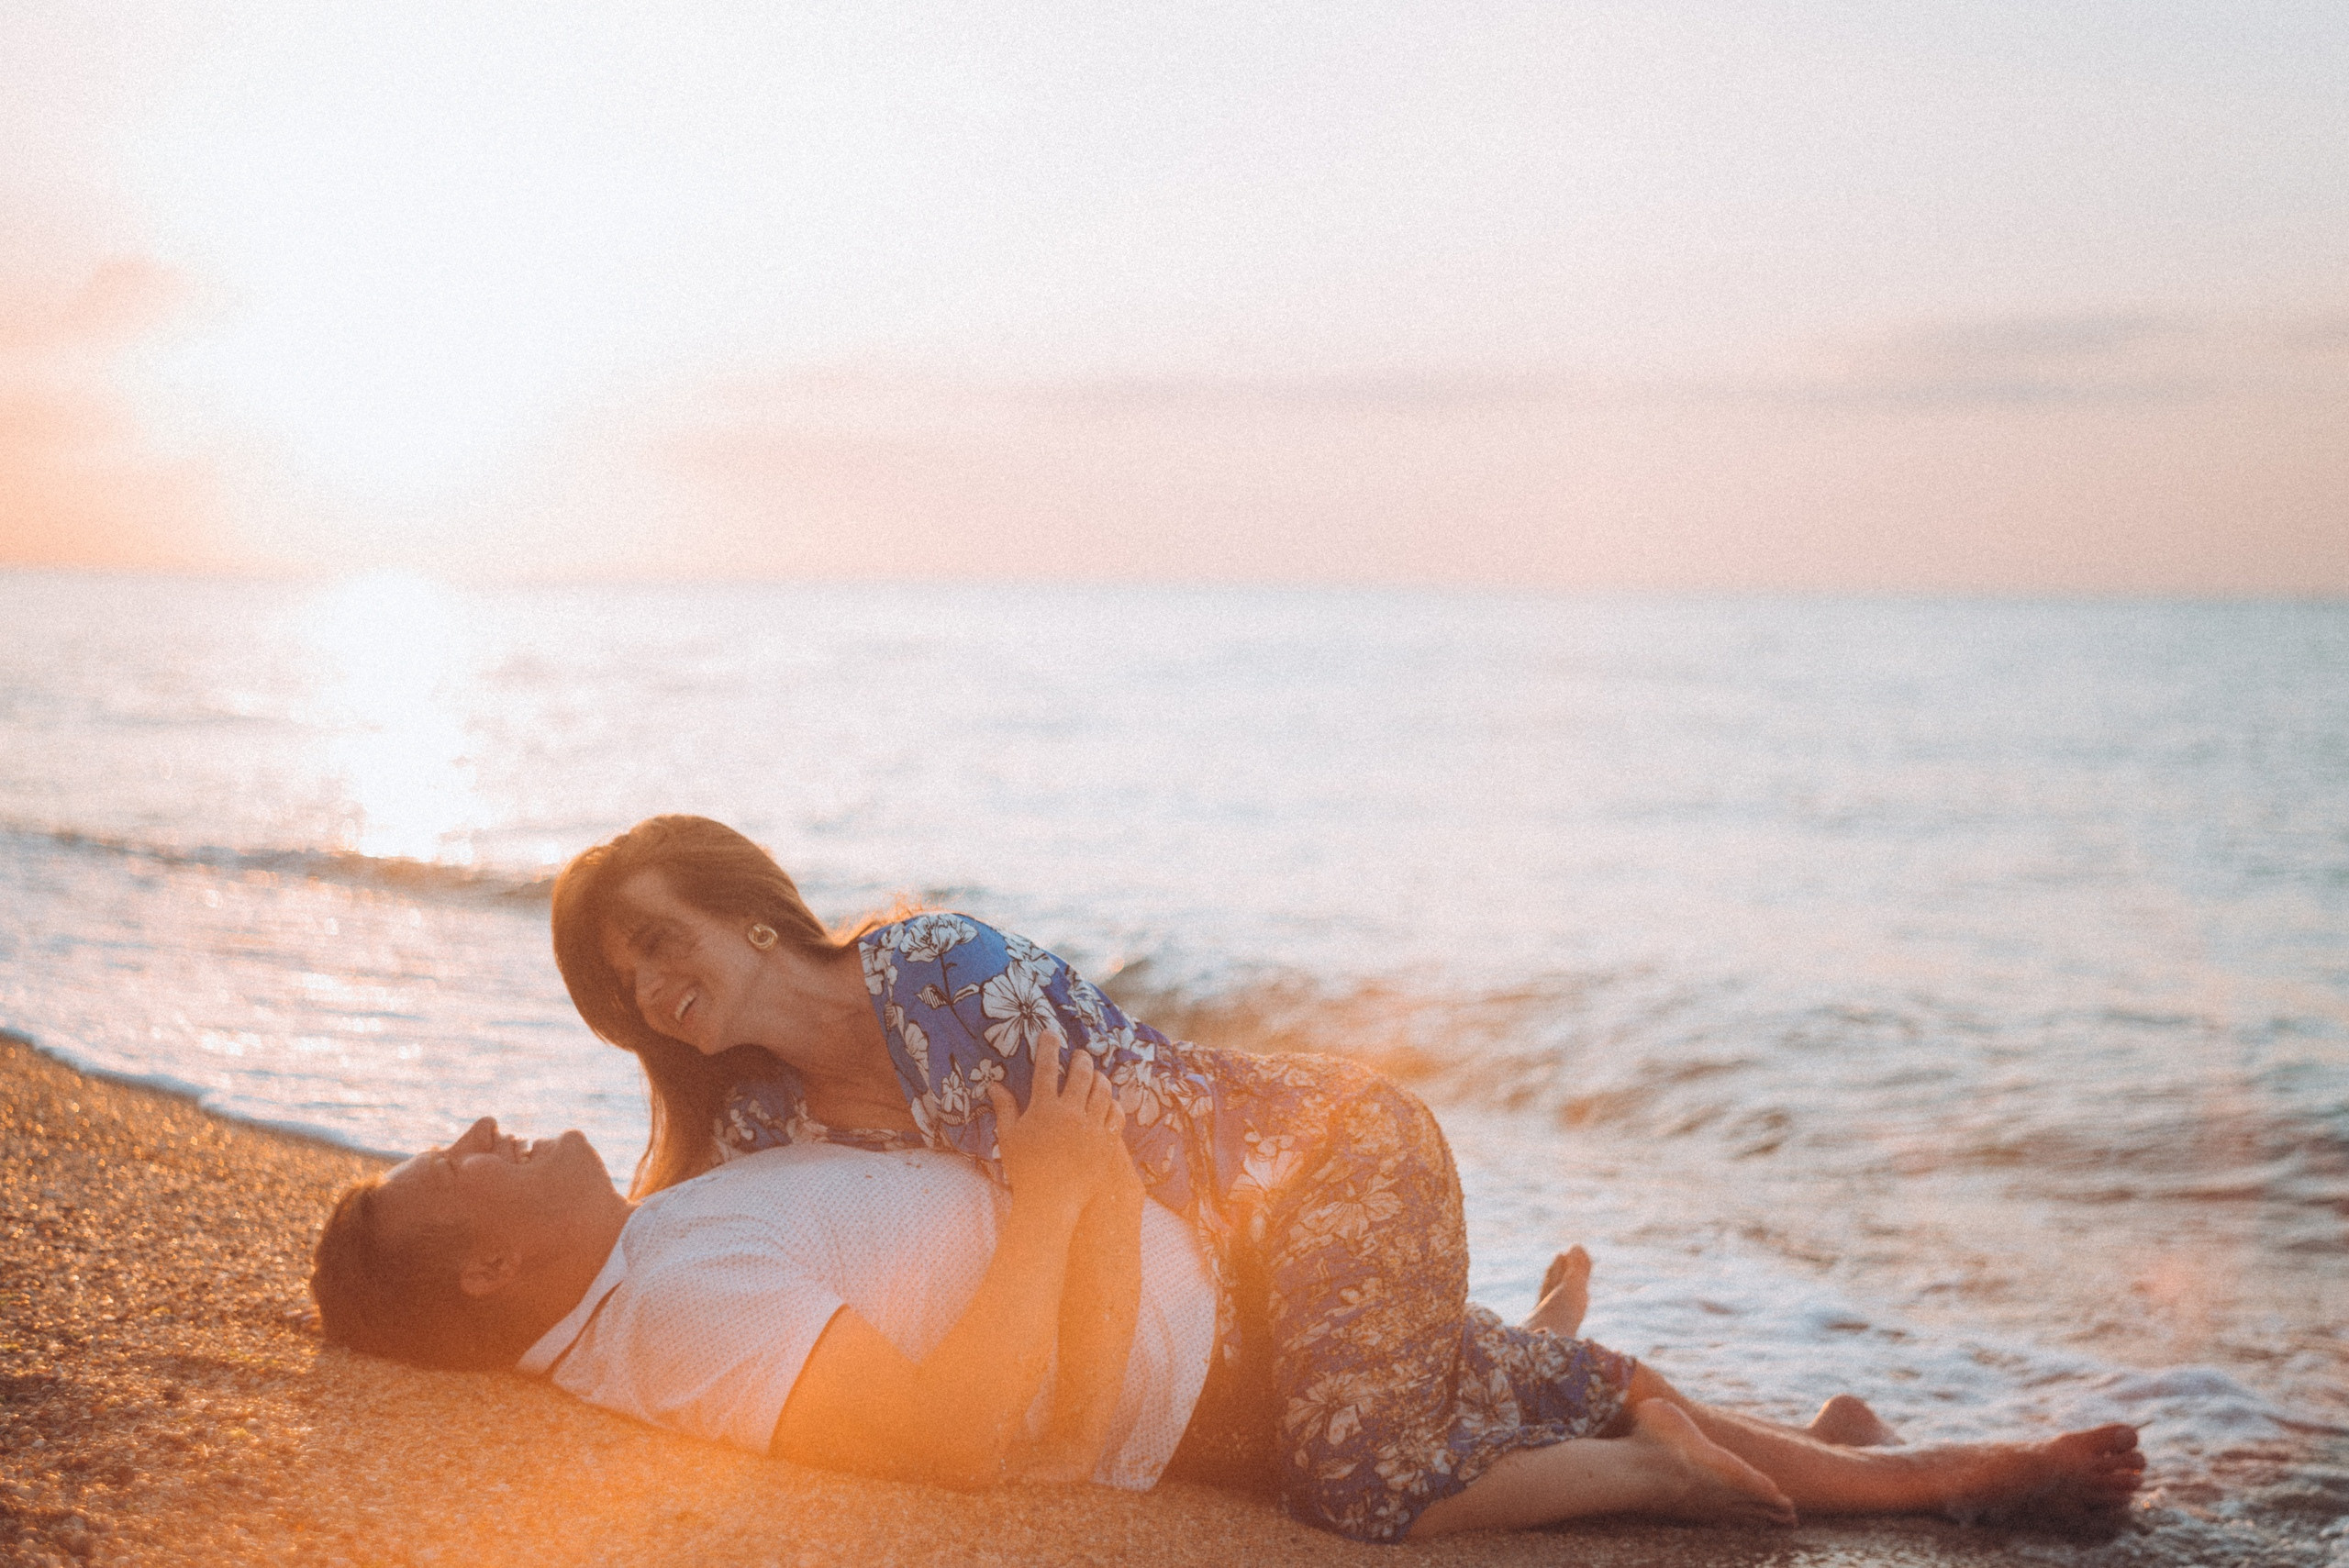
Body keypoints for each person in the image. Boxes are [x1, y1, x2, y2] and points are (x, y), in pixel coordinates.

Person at [540, 815, 2143, 1541]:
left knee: (1361, 1489)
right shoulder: (751, 1121)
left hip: (1321, 1174)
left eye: (664, 939)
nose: (658, 989)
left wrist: (1082, 1440)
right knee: (1463, 1402)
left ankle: (1748, 1460)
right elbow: (646, 1240)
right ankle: (1892, 1455)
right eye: (626, 983)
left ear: (750, 910)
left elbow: (1113, 1200)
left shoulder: (944, 973)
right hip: (1227, 1297)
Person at [307, 1060, 2147, 1540]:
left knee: (1532, 1371)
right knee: (1509, 1403)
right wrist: (1064, 1188)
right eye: (446, 1167)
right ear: (485, 1267)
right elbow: (951, 1438)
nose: (474, 1131)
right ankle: (1939, 1478)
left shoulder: (650, 1254)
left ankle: (1848, 1448)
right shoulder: (673, 1318)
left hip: (1217, 1306)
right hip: (1212, 1375)